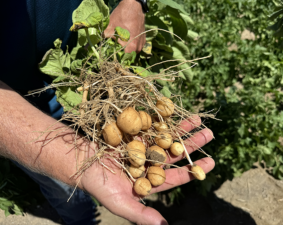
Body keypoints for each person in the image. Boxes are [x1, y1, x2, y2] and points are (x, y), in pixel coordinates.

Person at [0, 0, 215, 224]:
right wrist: (69, 162)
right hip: (15, 98)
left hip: (81, 58)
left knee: (92, 156)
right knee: (61, 183)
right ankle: (82, 219)